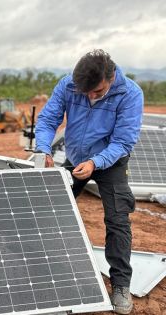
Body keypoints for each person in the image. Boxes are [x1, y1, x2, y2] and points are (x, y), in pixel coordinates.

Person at [35, 49, 143, 315]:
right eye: (86, 93)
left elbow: (123, 141)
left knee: (117, 220)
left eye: (97, 91)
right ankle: (39, 266)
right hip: (75, 158)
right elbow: (49, 119)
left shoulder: (131, 94)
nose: (91, 97)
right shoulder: (68, 84)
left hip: (111, 163)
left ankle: (120, 285)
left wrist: (96, 163)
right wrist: (43, 149)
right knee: (50, 208)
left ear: (112, 76)